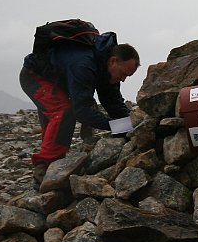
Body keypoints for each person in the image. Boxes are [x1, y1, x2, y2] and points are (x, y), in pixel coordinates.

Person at [19, 28, 140, 186]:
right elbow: (81, 112)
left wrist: (132, 124)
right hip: (34, 76)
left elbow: (113, 102)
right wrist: (116, 126)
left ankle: (53, 164)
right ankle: (44, 168)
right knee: (63, 112)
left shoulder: (106, 67)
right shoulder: (84, 65)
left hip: (61, 79)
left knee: (64, 116)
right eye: (123, 74)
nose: (123, 80)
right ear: (113, 61)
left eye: (127, 76)